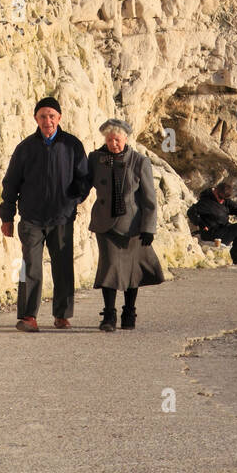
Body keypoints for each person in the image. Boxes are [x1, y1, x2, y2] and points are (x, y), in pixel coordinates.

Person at [0, 97, 88, 330]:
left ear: (59, 118)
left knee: (63, 267)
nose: (47, 120)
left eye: (51, 116)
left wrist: (73, 202)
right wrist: (6, 217)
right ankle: (28, 317)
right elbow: (10, 184)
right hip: (31, 219)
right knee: (29, 267)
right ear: (35, 118)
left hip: (62, 218)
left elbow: (84, 180)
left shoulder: (72, 145)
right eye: (42, 116)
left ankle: (62, 315)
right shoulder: (25, 148)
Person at [81, 118, 164, 331]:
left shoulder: (139, 161)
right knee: (109, 268)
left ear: (125, 139)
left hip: (132, 226)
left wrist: (148, 228)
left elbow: (149, 198)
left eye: (117, 139)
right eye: (109, 140)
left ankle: (129, 312)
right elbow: (83, 185)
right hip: (105, 224)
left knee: (131, 271)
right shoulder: (96, 159)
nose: (113, 144)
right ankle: (109, 316)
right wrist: (68, 200)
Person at [187, 180, 237, 265]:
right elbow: (191, 212)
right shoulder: (206, 202)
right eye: (221, 198)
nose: (222, 201)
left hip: (222, 230)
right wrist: (201, 223)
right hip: (211, 234)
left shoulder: (225, 201)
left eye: (224, 199)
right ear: (215, 191)